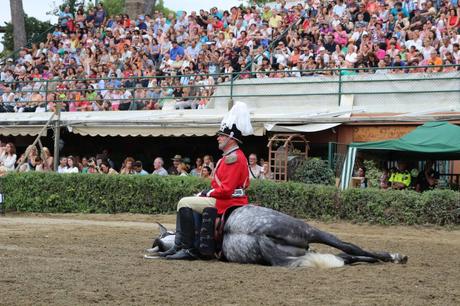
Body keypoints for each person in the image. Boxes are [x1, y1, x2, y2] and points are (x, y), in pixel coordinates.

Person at [161, 102, 253, 260]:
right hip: (227, 198)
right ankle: (181, 245)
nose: (218, 138)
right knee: (192, 200)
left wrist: (206, 193)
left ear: (231, 138)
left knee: (184, 202)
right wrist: (205, 193)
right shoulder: (231, 156)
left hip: (229, 201)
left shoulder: (234, 158)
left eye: (221, 135)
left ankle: (186, 248)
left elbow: (225, 190)